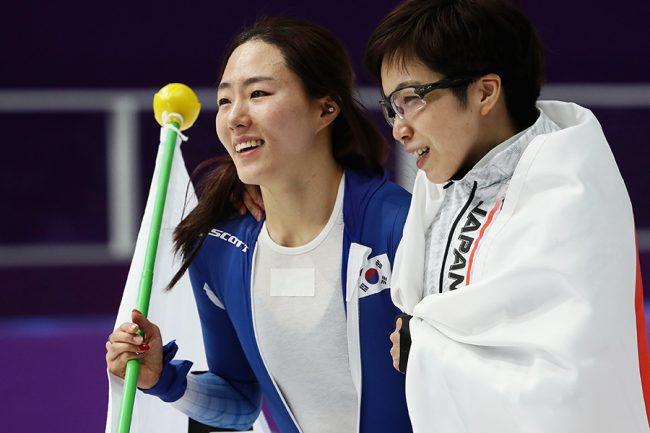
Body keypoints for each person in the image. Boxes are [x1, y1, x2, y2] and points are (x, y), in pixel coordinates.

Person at [106, 17, 413, 433]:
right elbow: (240, 402)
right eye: (226, 100)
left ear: (325, 108)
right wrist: (163, 379)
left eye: (258, 93)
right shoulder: (217, 249)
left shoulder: (401, 225)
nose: (235, 117)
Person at [363, 0, 650, 432]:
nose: (399, 127)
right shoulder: (448, 178)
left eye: (411, 100)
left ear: (484, 92)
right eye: (392, 108)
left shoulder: (569, 196)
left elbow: (564, 385)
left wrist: (421, 344)